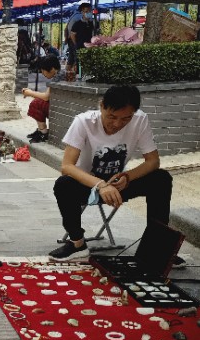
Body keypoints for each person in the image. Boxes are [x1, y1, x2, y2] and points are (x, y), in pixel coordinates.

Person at [48, 85, 178, 263]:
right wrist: (100, 185)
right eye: (112, 117)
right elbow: (67, 166)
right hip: (87, 186)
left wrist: (128, 177)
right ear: (101, 106)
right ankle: (77, 245)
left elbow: (153, 161)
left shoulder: (140, 120)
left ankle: (157, 247)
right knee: (63, 184)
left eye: (126, 118)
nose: (117, 124)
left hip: (118, 185)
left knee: (161, 178)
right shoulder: (83, 122)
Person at [22, 55, 64, 143]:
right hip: (60, 105)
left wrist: (30, 93)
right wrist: (30, 93)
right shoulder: (60, 74)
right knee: (38, 101)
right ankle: (41, 130)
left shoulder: (58, 77)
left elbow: (46, 97)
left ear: (52, 69)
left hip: (60, 108)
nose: (43, 73)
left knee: (36, 103)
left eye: (43, 70)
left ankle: (43, 132)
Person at [66, 3, 94, 79]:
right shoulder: (77, 23)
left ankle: (85, 76)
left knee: (87, 63)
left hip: (89, 47)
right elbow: (72, 34)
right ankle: (75, 77)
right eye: (86, 11)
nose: (89, 13)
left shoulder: (92, 23)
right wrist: (76, 44)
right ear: (82, 12)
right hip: (80, 46)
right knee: (77, 62)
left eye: (90, 11)